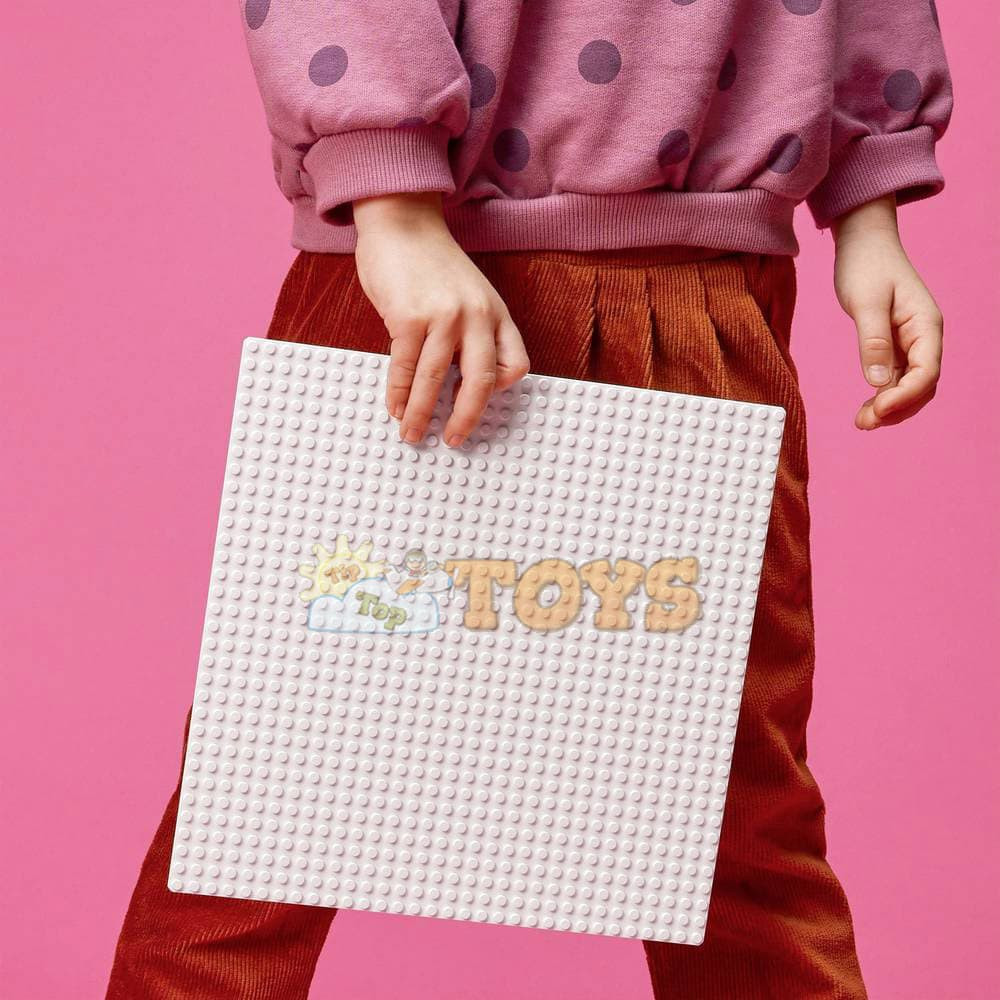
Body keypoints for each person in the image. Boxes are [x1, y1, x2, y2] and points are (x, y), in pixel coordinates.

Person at [107, 2, 952, 997]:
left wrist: (869, 202)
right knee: (267, 797)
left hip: (708, 298)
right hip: (428, 288)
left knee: (732, 800)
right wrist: (392, 205)